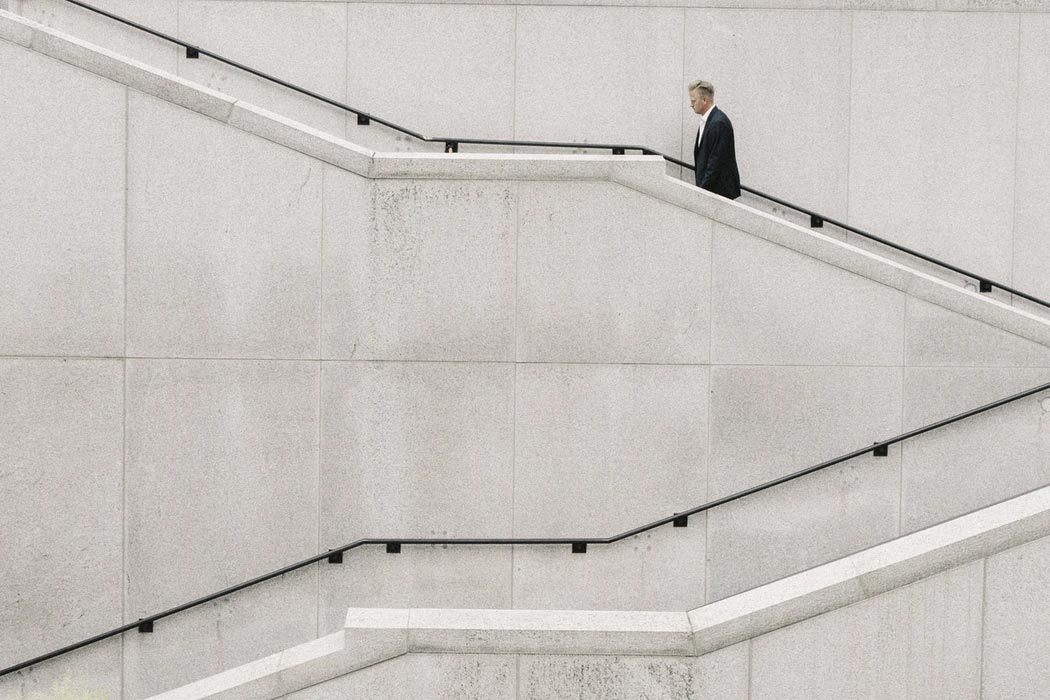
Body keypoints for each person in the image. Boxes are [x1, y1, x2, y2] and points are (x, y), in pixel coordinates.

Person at [688, 80, 741, 200]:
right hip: (712, 191)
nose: (691, 105)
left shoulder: (718, 123)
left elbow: (715, 162)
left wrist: (702, 190)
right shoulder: (710, 121)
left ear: (704, 100)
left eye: (693, 101)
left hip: (718, 192)